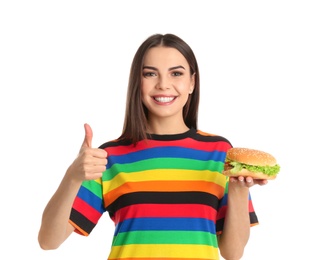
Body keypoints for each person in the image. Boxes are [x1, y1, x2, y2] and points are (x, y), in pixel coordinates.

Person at [38, 33, 268, 260]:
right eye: (150, 74)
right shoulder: (110, 156)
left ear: (192, 83)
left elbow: (233, 252)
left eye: (176, 73)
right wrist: (72, 176)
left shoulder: (219, 151)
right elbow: (49, 241)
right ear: (138, 83)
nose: (163, 85)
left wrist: (239, 190)